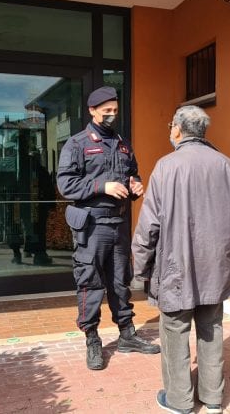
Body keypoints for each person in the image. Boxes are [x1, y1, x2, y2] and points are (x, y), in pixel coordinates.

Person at [132, 106, 230, 414]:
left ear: (178, 130)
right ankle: (213, 398)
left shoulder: (166, 166)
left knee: (174, 331)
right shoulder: (225, 165)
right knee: (211, 328)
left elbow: (148, 225)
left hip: (175, 267)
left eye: (171, 126)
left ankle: (179, 401)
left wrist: (140, 269)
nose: (170, 131)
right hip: (215, 266)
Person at [56, 86, 161, 371]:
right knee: (90, 282)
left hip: (118, 223)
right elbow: (65, 184)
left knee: (120, 281)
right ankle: (92, 339)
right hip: (92, 225)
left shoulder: (122, 143)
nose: (112, 115)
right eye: (106, 111)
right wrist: (102, 186)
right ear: (92, 111)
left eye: (115, 110)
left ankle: (127, 334)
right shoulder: (77, 144)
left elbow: (132, 174)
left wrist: (135, 186)